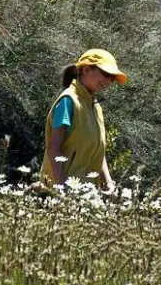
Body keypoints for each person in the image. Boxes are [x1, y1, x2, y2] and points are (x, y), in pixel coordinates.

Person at [40, 49, 128, 190]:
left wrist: (108, 182)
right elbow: (53, 148)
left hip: (86, 191)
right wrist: (61, 188)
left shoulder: (95, 107)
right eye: (106, 74)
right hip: (60, 192)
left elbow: (98, 151)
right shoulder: (68, 101)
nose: (109, 81)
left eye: (112, 78)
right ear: (86, 70)